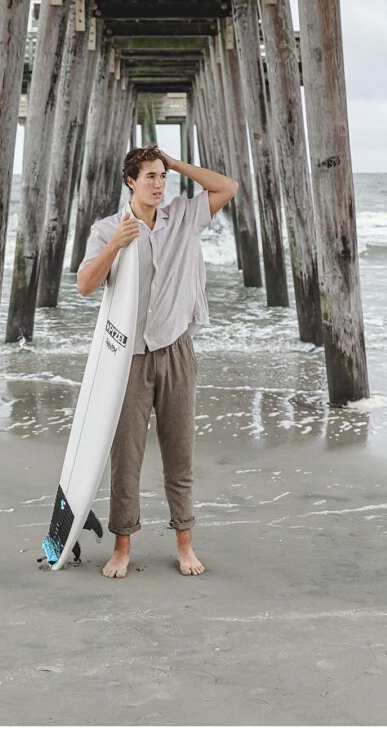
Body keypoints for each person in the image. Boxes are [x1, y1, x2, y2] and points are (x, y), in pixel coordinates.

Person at [77, 144, 239, 577]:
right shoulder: (107, 227)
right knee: (125, 457)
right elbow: (85, 286)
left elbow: (228, 186)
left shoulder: (184, 217)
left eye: (162, 177)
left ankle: (185, 544)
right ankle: (122, 547)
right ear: (131, 181)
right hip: (127, 356)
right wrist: (115, 244)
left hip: (176, 349)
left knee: (179, 454)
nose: (158, 184)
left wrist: (175, 162)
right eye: (149, 176)